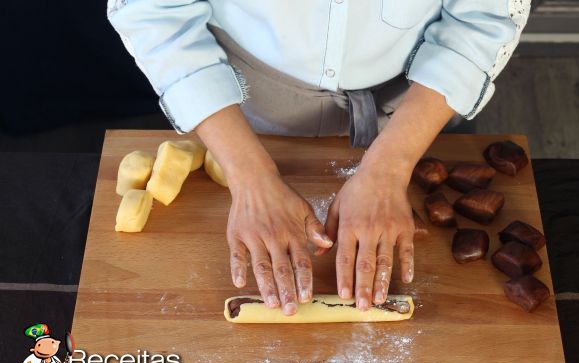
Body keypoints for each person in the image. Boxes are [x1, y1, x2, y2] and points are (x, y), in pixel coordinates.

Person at [107, 1, 529, 315]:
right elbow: (153, 12)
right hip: (242, 108)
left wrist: (391, 166)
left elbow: (484, 16)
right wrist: (249, 176)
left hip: (420, 103)